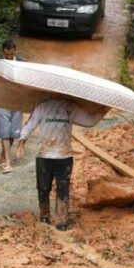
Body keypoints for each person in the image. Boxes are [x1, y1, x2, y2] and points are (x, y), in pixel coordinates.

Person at [16, 93, 106, 231]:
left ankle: (62, 222)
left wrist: (105, 109)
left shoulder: (70, 106)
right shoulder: (42, 106)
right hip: (44, 155)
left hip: (64, 156)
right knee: (43, 188)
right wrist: (21, 142)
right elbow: (29, 125)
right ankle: (44, 216)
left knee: (63, 189)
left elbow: (89, 121)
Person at [0, 39, 23, 174]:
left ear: (15, 51)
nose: (9, 57)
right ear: (2, 52)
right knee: (5, 131)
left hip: (17, 102)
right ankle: (8, 161)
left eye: (11, 54)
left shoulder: (23, 64)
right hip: (2, 101)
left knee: (13, 132)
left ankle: (4, 155)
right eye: (7, 55)